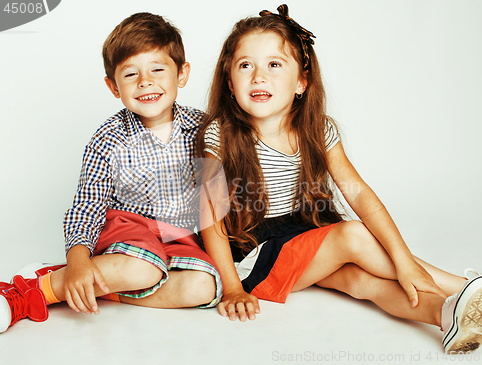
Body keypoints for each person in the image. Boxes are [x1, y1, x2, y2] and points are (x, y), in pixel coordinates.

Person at [196, 4, 482, 354]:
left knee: (362, 282)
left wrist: (405, 261)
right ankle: (466, 286)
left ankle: (449, 313)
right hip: (254, 256)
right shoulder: (220, 135)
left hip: (305, 235)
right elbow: (210, 216)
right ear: (229, 82)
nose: (258, 76)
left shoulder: (317, 129)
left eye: (274, 64)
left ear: (302, 81)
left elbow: (359, 194)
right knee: (354, 236)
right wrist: (231, 287)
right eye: (245, 65)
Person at [0, 12, 222, 335]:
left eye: (157, 69)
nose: (145, 82)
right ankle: (33, 289)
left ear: (182, 74)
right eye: (131, 74)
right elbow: (88, 204)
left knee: (204, 286)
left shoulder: (203, 128)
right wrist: (79, 257)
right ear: (113, 86)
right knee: (144, 266)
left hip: (176, 238)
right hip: (127, 232)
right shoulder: (109, 137)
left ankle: (89, 285)